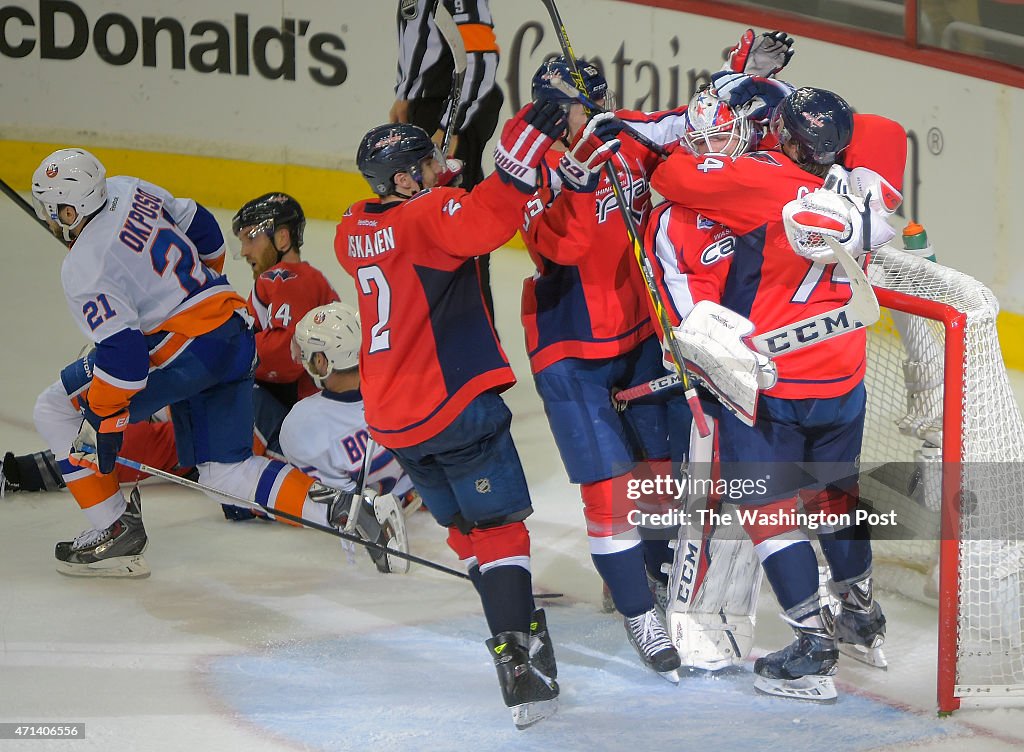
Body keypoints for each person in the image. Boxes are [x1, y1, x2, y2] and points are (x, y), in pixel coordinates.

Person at [29, 148, 402, 577]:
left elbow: (125, 361)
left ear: (71, 208)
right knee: (225, 472)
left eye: (52, 209)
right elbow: (203, 228)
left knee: (56, 407)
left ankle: (113, 530)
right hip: (231, 328)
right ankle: (350, 511)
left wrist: (103, 416)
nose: (49, 218)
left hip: (185, 355)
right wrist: (194, 295)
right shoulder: (128, 187)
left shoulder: (82, 267)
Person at [648, 87, 907, 700]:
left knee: (768, 510)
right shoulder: (868, 190)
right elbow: (885, 123)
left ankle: (813, 650)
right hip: (843, 374)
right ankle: (862, 619)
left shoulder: (758, 181)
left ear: (785, 137)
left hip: (772, 380)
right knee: (834, 494)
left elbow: (673, 172)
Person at [334, 102, 565, 728]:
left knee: (466, 531)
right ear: (409, 179)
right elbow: (485, 223)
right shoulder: (432, 214)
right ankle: (519, 663)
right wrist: (518, 153)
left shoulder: (353, 226)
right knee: (501, 533)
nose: (442, 164)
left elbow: (428, 216)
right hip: (451, 404)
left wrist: (442, 182)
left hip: (392, 418)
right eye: (429, 161)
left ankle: (512, 624)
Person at [520, 56, 687, 682]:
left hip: (641, 330)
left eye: (600, 104)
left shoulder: (617, 137)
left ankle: (656, 573)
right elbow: (562, 246)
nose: (594, 115)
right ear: (554, 109)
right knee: (611, 491)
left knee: (660, 474)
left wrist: (736, 75)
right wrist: (580, 175)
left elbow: (681, 129)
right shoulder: (527, 166)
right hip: (570, 349)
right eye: (584, 107)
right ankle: (642, 615)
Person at [389, 0, 504, 318]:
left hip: (452, 114)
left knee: (460, 235)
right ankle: (436, 338)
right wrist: (405, 93)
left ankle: (479, 347)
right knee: (424, 233)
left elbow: (482, 58)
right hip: (428, 110)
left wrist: (452, 123)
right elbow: (416, 35)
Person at [286, 303, 421, 515]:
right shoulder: (405, 390)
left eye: (307, 353)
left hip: (361, 522)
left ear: (321, 361)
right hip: (423, 499)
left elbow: (342, 507)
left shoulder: (302, 423)